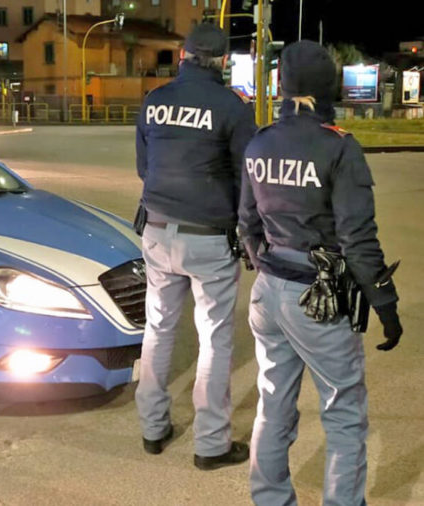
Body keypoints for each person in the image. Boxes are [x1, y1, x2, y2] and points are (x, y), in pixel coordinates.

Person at [239, 40, 403, 505]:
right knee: (344, 414)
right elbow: (358, 240)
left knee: (273, 406)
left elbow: (247, 223)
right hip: (318, 299)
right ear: (329, 88)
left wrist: (265, 267)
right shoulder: (339, 148)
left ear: (283, 86)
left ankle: (270, 499)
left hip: (269, 290)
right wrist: (385, 304)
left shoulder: (260, 141)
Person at [134, 23, 256, 470]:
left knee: (159, 329)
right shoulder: (231, 108)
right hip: (209, 239)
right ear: (222, 61)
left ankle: (152, 428)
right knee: (214, 338)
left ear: (183, 55)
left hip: (157, 231)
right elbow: (248, 179)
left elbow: (144, 168)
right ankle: (210, 444)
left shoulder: (155, 101)